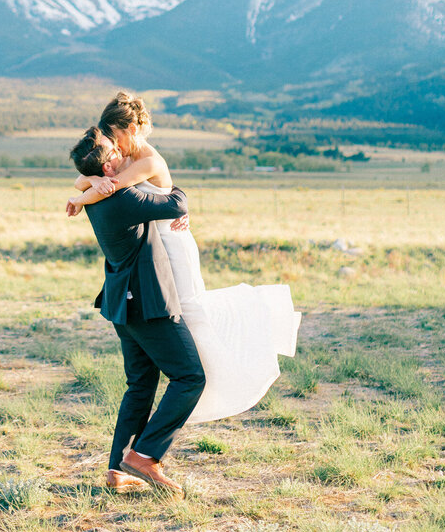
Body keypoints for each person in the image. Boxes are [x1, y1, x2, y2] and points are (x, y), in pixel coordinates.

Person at [68, 92, 301, 428]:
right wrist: (90, 180)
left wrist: (81, 196)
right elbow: (89, 178)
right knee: (180, 315)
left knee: (190, 310)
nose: (114, 147)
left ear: (132, 128)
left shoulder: (147, 162)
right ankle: (189, 377)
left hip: (170, 245)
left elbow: (112, 187)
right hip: (153, 246)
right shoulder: (127, 159)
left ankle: (214, 376)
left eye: (115, 137)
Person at [69, 126, 205, 498]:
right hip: (147, 302)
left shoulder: (94, 197)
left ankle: (117, 469)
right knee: (190, 377)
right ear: (108, 165)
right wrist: (158, 171)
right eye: (114, 154)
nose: (121, 157)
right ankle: (144, 456)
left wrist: (84, 187)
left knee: (141, 385)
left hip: (121, 303)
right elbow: (177, 202)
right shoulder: (122, 198)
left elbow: (84, 182)